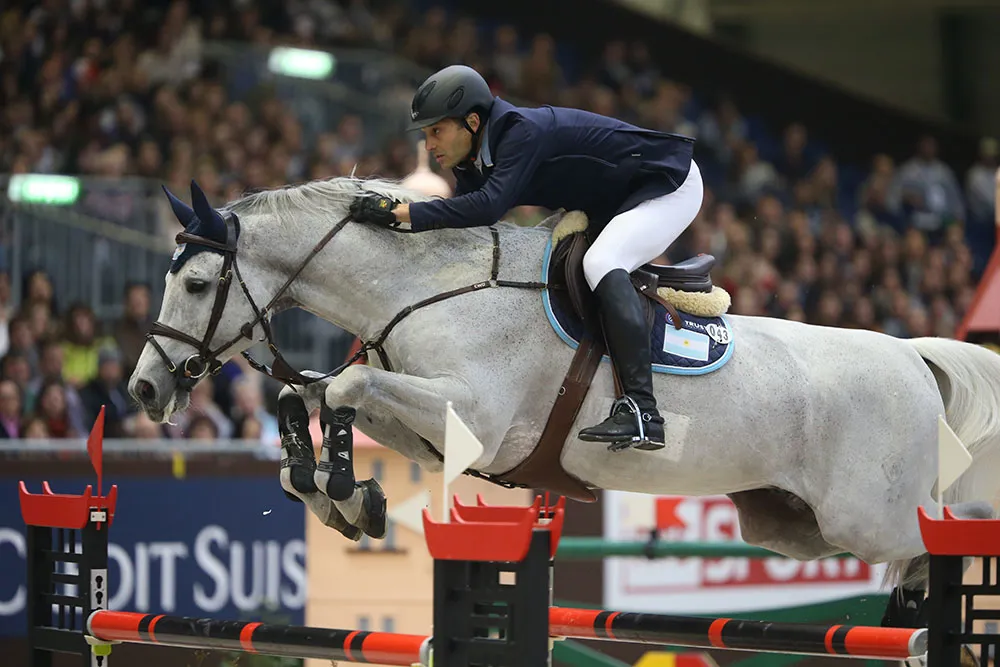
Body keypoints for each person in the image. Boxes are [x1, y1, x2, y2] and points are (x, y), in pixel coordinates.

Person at [349, 65, 704, 452]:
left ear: (472, 122)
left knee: (601, 262)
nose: (429, 144)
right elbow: (462, 228)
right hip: (616, 201)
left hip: (667, 184)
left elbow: (486, 208)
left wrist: (398, 212)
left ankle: (642, 411)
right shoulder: (473, 162)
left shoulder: (521, 132)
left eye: (437, 131)